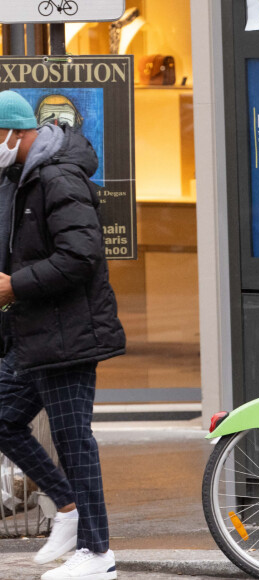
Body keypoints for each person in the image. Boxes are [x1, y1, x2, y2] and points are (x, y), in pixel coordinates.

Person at [0, 90, 125, 580]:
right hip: (33, 332)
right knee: (4, 418)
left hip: (67, 333)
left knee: (74, 441)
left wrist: (15, 286)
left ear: (15, 132)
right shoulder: (18, 178)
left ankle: (98, 553)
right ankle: (69, 510)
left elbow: (80, 255)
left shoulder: (56, 177)